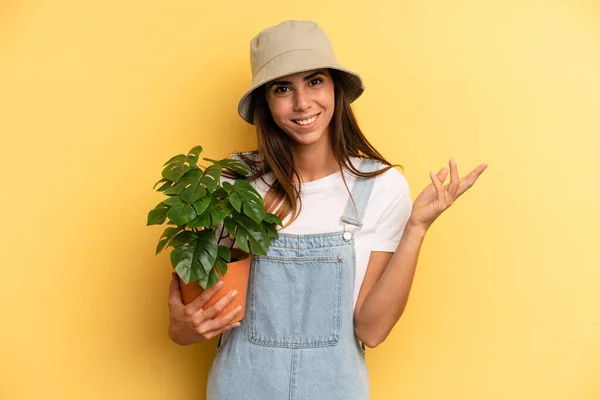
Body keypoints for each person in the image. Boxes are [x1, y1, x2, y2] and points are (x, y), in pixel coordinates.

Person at [167, 20, 488, 399]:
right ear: (266, 104)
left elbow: (371, 331)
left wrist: (417, 228)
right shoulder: (232, 185)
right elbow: (188, 325)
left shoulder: (380, 188)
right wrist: (184, 326)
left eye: (315, 81)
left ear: (335, 87)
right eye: (282, 88)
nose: (302, 103)